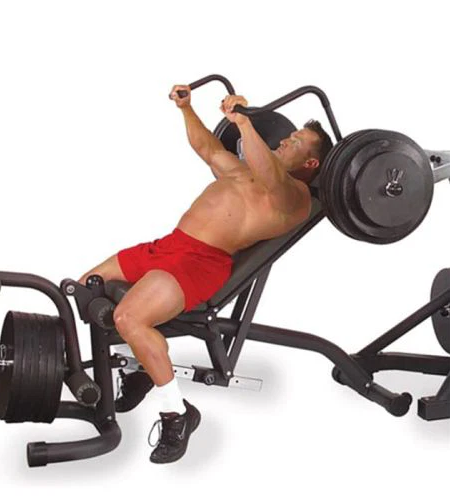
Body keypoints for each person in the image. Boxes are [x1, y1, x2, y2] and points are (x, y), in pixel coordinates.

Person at [78, 85, 333, 464]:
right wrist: (187, 109)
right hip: (169, 246)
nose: (284, 140)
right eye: (289, 135)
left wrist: (244, 122)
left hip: (200, 263)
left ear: (310, 164)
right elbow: (208, 149)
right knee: (84, 289)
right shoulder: (246, 172)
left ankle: (177, 414)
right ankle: (144, 368)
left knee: (129, 317)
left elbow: (271, 176)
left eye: (295, 141)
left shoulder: (294, 197)